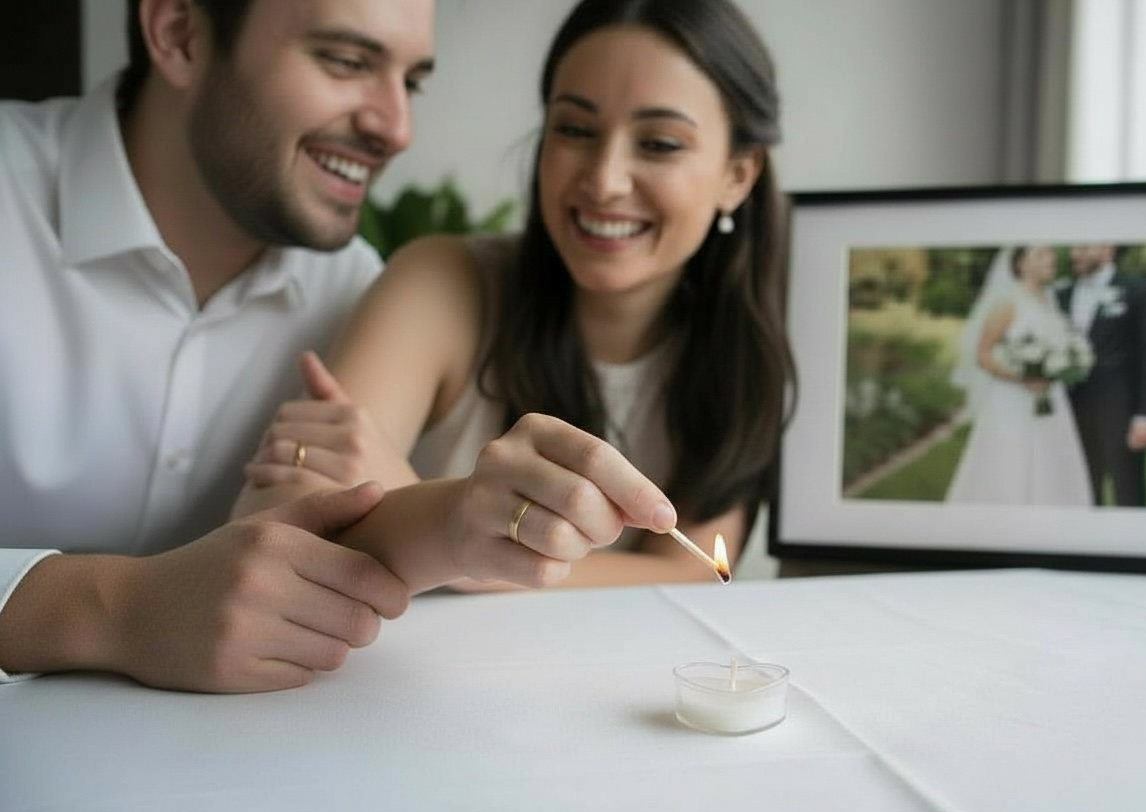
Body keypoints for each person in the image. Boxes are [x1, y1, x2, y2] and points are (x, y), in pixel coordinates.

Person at [0, 0, 674, 693]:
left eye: (410, 82)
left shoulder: (354, 289)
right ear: (179, 33)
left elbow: (311, 548)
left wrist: (462, 518)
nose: (397, 128)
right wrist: (117, 610)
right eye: (346, 62)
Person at [235, 0, 796, 589]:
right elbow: (284, 529)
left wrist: (449, 534)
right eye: (575, 130)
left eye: (659, 144)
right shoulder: (445, 283)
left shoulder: (744, 343)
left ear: (738, 175)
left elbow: (698, 573)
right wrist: (467, 533)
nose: (605, 180)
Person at [945, 246, 1094, 506]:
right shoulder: (1007, 303)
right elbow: (983, 355)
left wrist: (1066, 364)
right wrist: (1022, 377)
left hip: (1050, 398)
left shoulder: (1050, 301)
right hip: (1012, 400)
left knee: (1052, 458)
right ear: (1021, 265)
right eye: (1041, 255)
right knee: (1010, 461)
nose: (1050, 259)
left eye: (1049, 255)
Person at [1055, 244, 1146, 506]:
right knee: (1078, 487)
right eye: (1073, 249)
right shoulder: (1060, 294)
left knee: (1127, 489)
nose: (1075, 254)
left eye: (1083, 248)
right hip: (1068, 410)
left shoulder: (1141, 291)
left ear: (1107, 249)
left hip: (1121, 408)